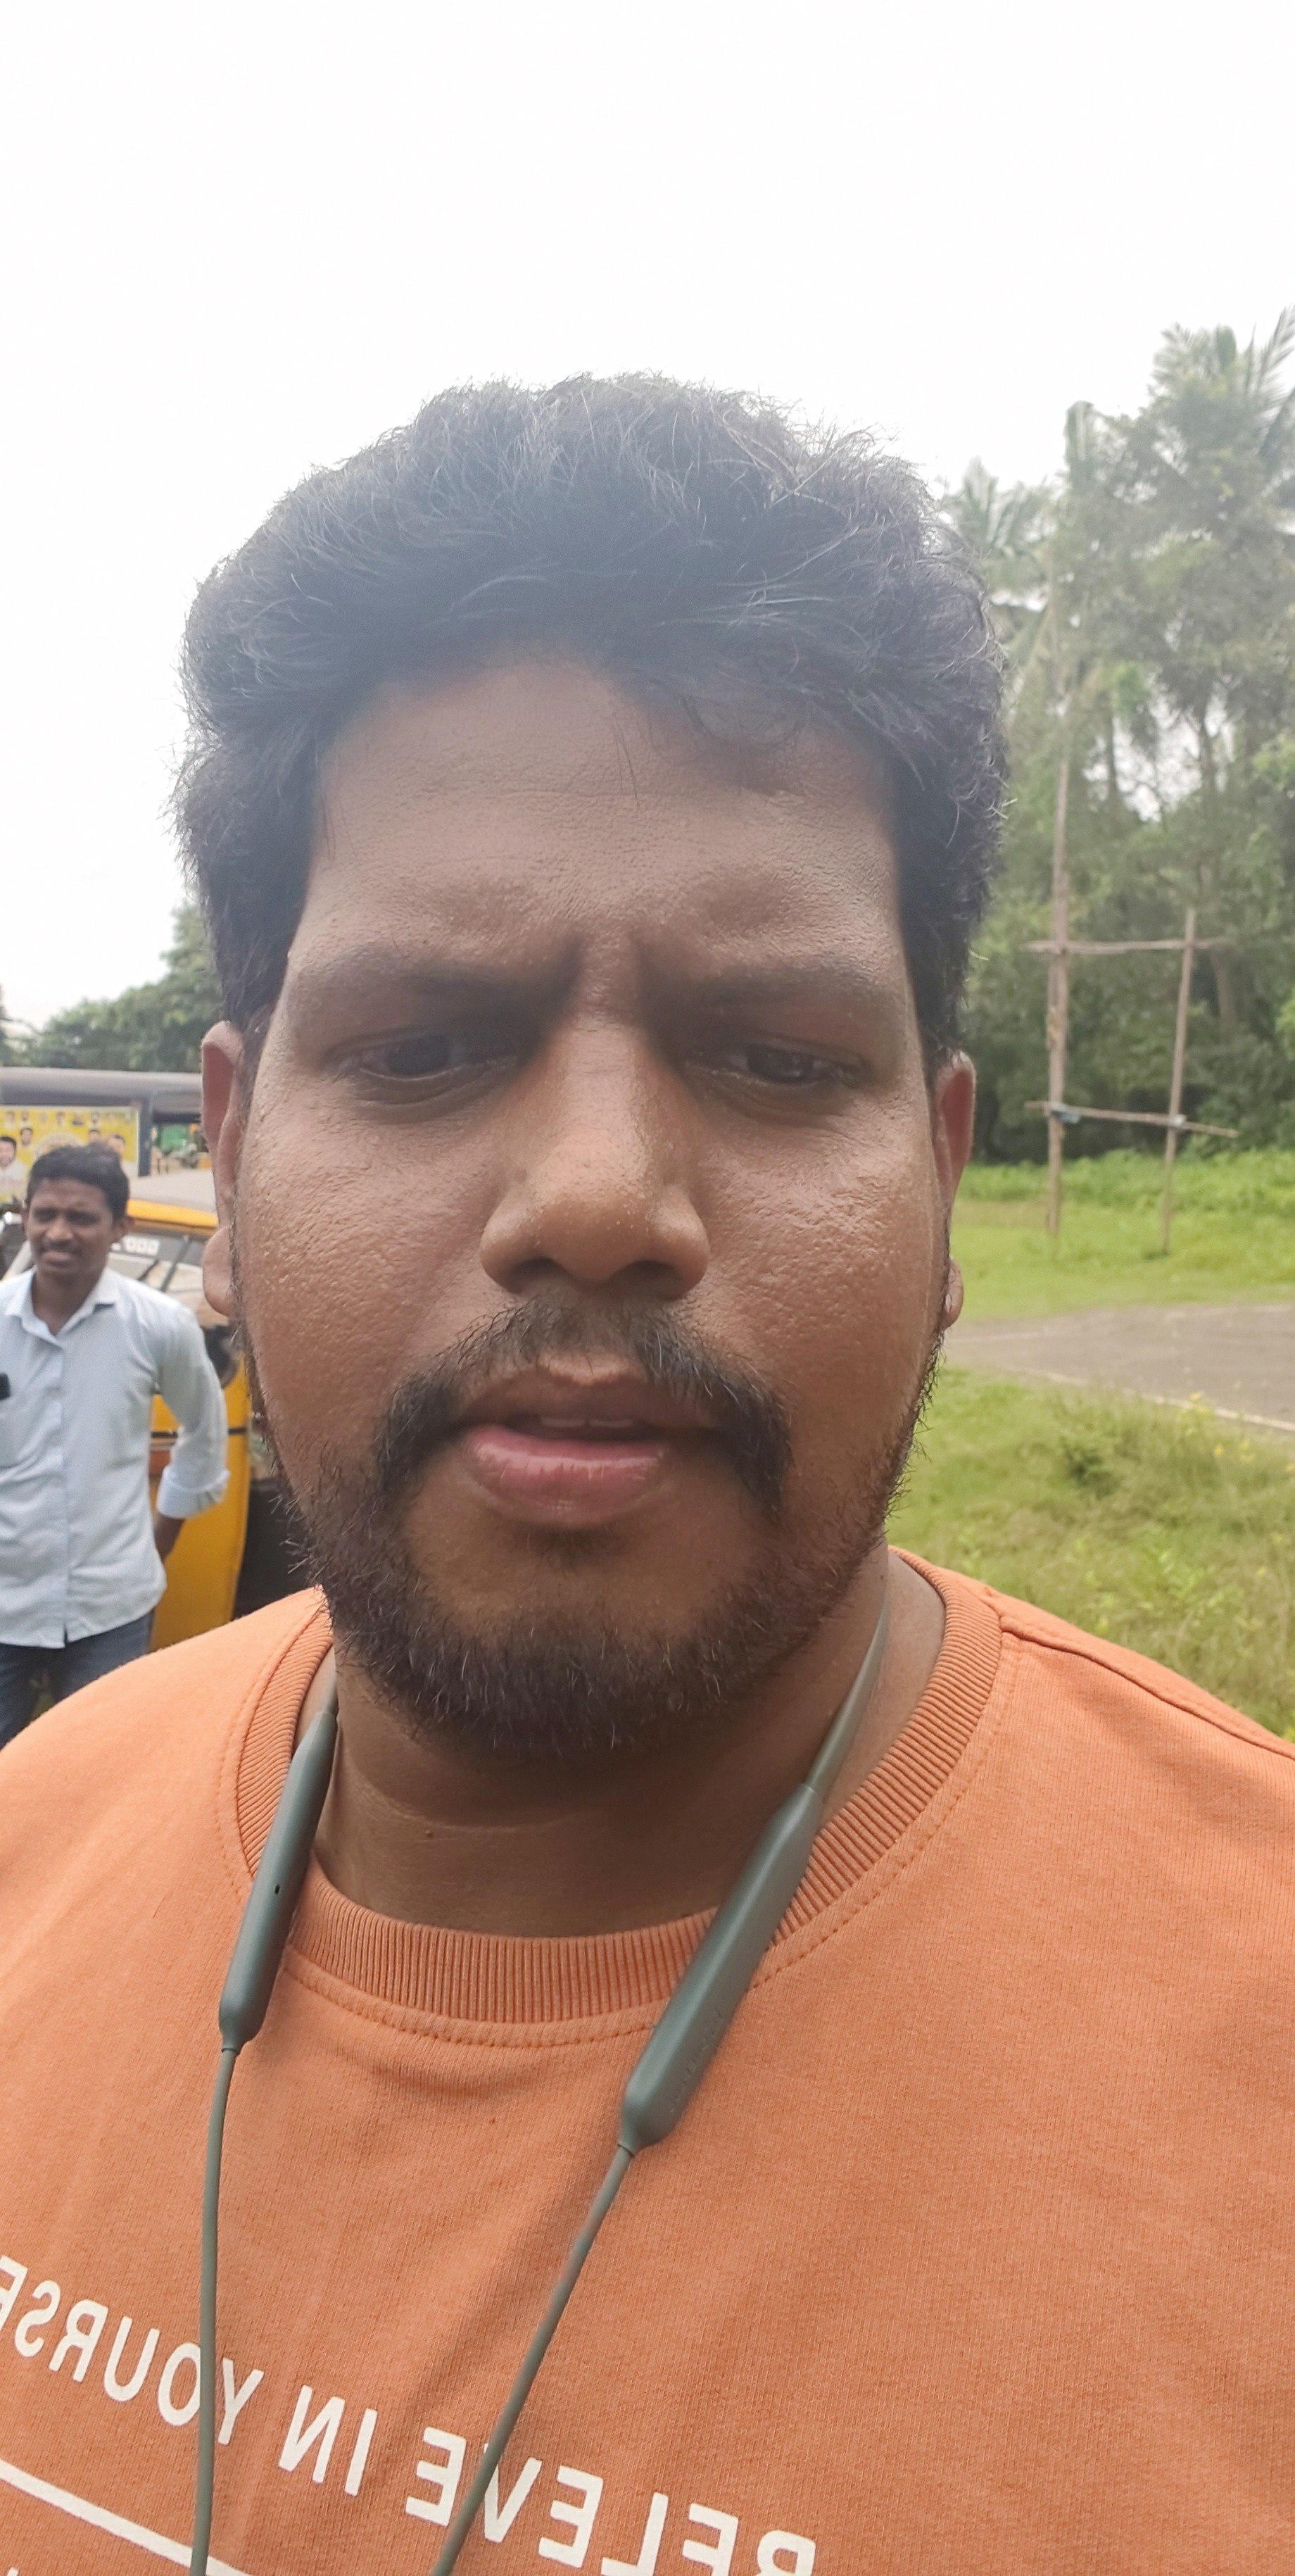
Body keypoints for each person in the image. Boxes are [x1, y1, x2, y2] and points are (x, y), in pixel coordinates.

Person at [0, 382, 1291, 2576]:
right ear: (228, 1149)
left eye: (774, 1056)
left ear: (941, 1181)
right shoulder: (30, 1845)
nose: (597, 1198)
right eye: (423, 1046)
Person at [0, 1141, 228, 1749]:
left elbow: (204, 1433)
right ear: (26, 1217)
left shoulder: (159, 1325)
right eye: (45, 1214)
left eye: (81, 1217)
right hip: (3, 1602)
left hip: (111, 1607)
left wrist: (157, 1546)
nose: (59, 1232)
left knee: (101, 1763)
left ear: (119, 1227)